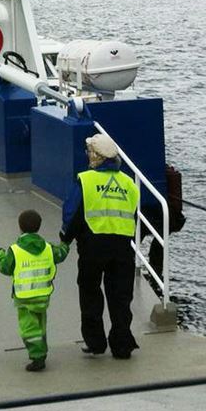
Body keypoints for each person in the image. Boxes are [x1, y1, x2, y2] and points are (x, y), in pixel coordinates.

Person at [60, 133, 141, 359]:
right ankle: (122, 344)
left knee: (90, 293)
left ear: (96, 156)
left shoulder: (85, 180)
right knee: (121, 297)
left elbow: (73, 212)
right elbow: (131, 214)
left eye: (89, 151)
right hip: (123, 247)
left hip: (92, 246)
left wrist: (65, 237)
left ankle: (96, 342)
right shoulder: (129, 184)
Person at [0, 209, 69, 371]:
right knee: (41, 325)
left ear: (20, 228)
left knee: (29, 328)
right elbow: (61, 254)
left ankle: (37, 357)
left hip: (24, 298)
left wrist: (0, 255)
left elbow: (5, 268)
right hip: (43, 295)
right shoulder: (48, 248)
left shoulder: (14, 250)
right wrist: (65, 244)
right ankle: (42, 349)